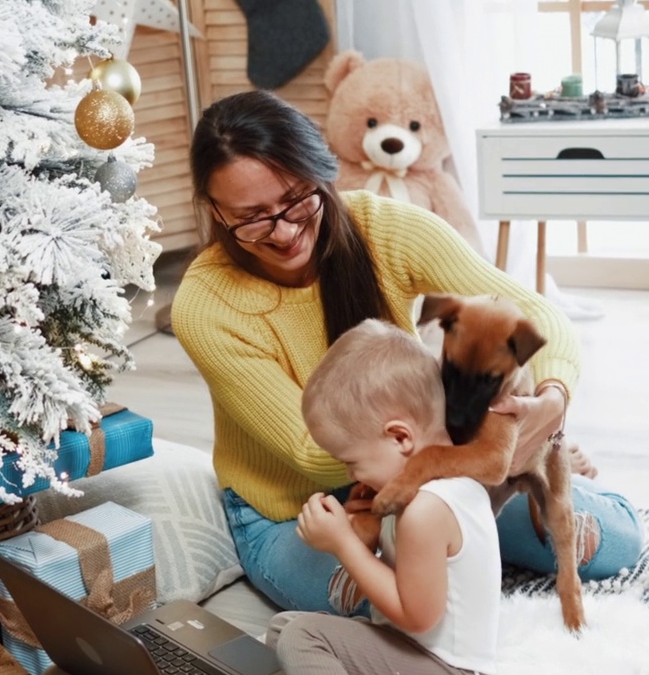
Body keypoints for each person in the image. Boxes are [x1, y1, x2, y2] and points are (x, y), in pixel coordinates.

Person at [171, 90, 643, 615]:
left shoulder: (383, 227)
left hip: (426, 468)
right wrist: (478, 457)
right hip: (303, 504)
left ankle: (533, 471)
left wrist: (551, 400)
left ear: (322, 170)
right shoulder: (204, 304)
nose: (284, 232)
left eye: (297, 199)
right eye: (252, 217)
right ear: (214, 210)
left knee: (615, 542)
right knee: (390, 605)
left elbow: (530, 311)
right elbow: (310, 450)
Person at [265, 319, 500, 675]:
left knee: (304, 636)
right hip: (419, 656)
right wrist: (363, 529)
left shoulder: (427, 510)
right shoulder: (421, 489)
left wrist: (344, 547)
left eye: (352, 461)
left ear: (400, 438)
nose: (351, 474)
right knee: (285, 627)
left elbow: (417, 613)